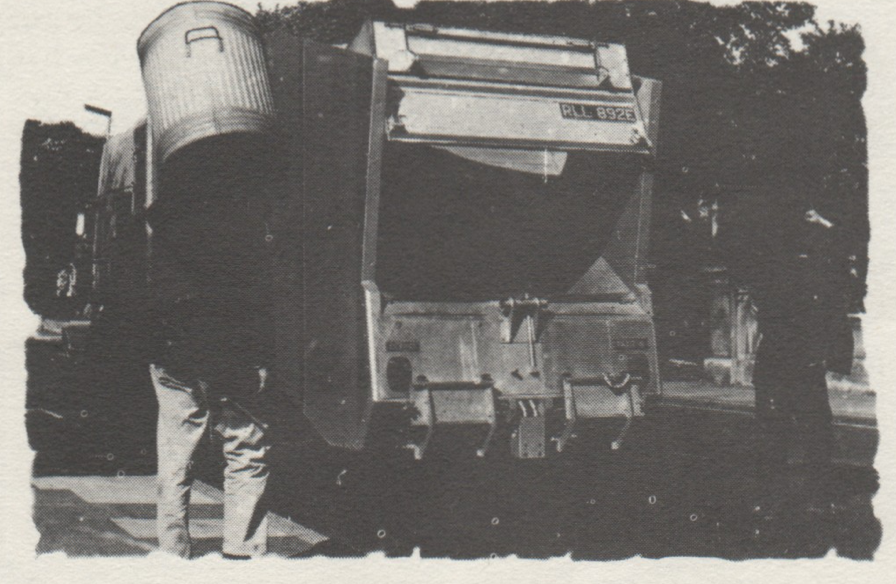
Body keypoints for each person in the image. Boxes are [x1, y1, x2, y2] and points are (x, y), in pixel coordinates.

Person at [145, 134, 277, 559]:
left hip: (172, 355)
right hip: (227, 354)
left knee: (176, 451)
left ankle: (173, 547)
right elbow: (251, 302)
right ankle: (241, 548)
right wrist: (258, 360)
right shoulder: (240, 231)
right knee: (245, 448)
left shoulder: (164, 233)